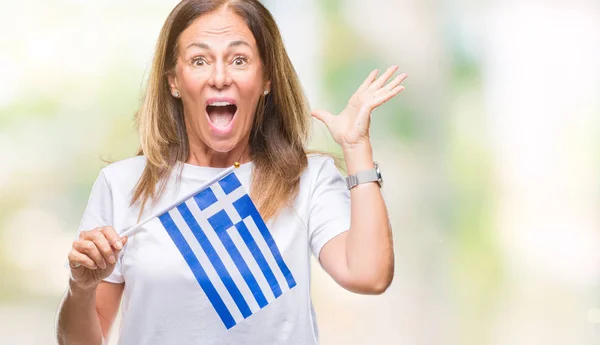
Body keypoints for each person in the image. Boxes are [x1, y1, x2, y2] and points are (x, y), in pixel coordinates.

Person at [55, 0, 406, 344]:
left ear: (266, 79)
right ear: (173, 81)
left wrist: (356, 147)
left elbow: (369, 275)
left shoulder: (307, 178)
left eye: (239, 59)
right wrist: (80, 286)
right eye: (199, 60)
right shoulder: (121, 185)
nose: (220, 77)